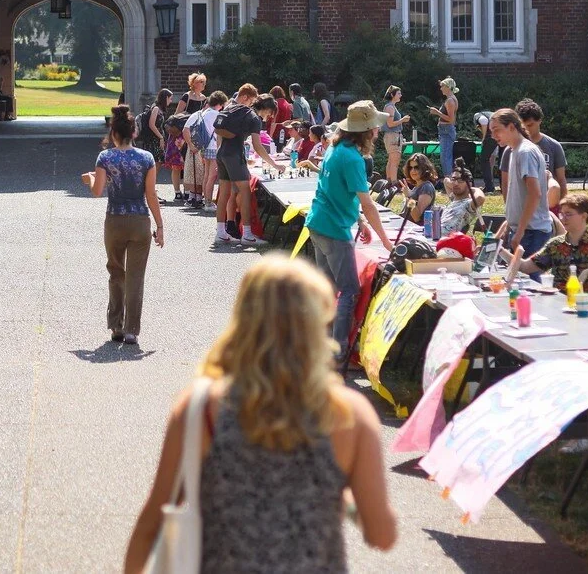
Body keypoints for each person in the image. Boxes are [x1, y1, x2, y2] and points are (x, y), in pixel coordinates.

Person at [124, 256, 397, 572]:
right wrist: (344, 499)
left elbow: (152, 521)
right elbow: (382, 535)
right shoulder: (350, 415)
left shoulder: (200, 409)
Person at [305, 102, 392, 355]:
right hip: (333, 229)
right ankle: (338, 350)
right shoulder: (353, 157)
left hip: (318, 223)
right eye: (375, 126)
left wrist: (361, 222)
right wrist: (387, 243)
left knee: (328, 289)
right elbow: (368, 203)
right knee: (349, 291)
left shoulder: (335, 147)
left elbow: (339, 192)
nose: (378, 130)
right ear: (365, 130)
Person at [82, 105, 165, 346]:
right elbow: (151, 195)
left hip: (115, 219)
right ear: (134, 133)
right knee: (136, 277)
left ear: (113, 134)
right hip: (140, 220)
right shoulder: (146, 158)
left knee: (116, 272)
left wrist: (90, 180)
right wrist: (159, 225)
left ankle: (116, 325)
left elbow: (98, 191)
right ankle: (132, 330)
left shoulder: (105, 157)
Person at [506, 193, 588, 292]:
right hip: (556, 305)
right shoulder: (556, 244)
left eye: (568, 214)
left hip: (583, 306)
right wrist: (499, 249)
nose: (563, 219)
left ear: (584, 216)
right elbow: (525, 267)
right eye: (561, 214)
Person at [490, 108, 553, 271]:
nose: (493, 135)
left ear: (511, 127)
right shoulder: (513, 151)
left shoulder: (525, 152)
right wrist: (509, 227)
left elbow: (535, 194)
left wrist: (520, 232)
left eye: (496, 130)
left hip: (532, 232)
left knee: (529, 287)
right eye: (491, 131)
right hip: (523, 231)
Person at [214, 86, 275, 245]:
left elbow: (218, 131)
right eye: (268, 113)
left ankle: (220, 232)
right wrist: (274, 164)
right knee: (246, 192)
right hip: (235, 154)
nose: (267, 117)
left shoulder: (231, 108)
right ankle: (247, 234)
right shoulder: (253, 118)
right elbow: (258, 146)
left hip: (221, 154)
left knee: (225, 193)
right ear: (265, 108)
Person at [498, 98, 568, 207]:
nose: (526, 129)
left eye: (530, 125)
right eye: (522, 125)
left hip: (549, 205)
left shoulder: (554, 146)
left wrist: (562, 207)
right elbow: (506, 183)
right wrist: (509, 207)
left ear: (540, 120)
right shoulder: (510, 150)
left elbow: (561, 180)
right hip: (521, 205)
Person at [184, 90, 225, 213]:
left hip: (205, 146)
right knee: (212, 176)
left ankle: (206, 199)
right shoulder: (216, 114)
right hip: (213, 147)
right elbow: (219, 133)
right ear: (220, 103)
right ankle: (208, 202)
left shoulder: (204, 113)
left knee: (207, 174)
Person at [437, 167, 485, 236]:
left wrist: (471, 188)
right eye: (453, 179)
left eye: (461, 180)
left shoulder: (468, 204)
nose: (456, 183)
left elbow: (480, 198)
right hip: (433, 236)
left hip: (447, 242)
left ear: (469, 183)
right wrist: (455, 182)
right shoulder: (453, 199)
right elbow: (445, 181)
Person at [381, 85, 409, 197]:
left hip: (394, 136)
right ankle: (394, 184)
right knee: (395, 161)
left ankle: (389, 182)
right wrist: (403, 120)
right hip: (392, 136)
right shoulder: (390, 107)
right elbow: (390, 123)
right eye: (398, 93)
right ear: (392, 95)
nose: (400, 95)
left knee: (391, 160)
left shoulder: (392, 106)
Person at [428, 77, 459, 176]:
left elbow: (451, 119)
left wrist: (437, 112)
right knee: (446, 157)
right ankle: (449, 180)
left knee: (445, 157)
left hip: (446, 131)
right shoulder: (451, 99)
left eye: (442, 86)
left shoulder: (450, 101)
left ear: (448, 87)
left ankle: (449, 181)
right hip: (445, 130)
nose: (441, 89)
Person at [401, 152, 437, 231]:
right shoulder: (417, 186)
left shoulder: (426, 187)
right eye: (410, 168)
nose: (413, 170)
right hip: (405, 226)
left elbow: (417, 217)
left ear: (424, 168)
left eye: (416, 167)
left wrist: (408, 196)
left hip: (415, 231)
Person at [136, 88, 169, 164]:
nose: (171, 101)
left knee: (159, 162)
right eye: (170, 99)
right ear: (166, 98)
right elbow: (151, 124)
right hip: (153, 141)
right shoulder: (156, 108)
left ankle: (154, 176)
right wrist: (161, 137)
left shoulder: (160, 109)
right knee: (155, 163)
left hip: (157, 140)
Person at [161, 112, 187, 204]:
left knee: (176, 169)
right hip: (184, 141)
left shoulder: (175, 119)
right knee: (186, 169)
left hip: (174, 142)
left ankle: (177, 193)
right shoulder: (190, 117)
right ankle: (187, 192)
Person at [475, 111, 496, 194]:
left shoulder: (477, 115)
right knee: (502, 160)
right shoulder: (493, 115)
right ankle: (502, 186)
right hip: (503, 133)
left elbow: (483, 121)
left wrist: (483, 139)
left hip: (491, 137)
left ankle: (489, 188)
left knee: (484, 160)